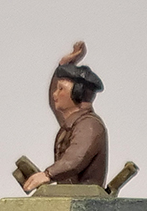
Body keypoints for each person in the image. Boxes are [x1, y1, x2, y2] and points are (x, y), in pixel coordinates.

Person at [23, 42, 107, 191]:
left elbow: (76, 158)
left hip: (84, 198)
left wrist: (48, 174)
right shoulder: (74, 122)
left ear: (77, 93)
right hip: (71, 195)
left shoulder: (89, 126)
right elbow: (53, 102)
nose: (55, 94)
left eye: (61, 89)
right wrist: (64, 65)